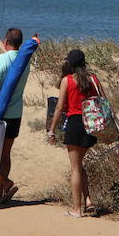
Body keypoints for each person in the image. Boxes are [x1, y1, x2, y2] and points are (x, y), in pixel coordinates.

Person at [47, 49, 101, 218]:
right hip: (90, 123)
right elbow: (102, 100)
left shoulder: (67, 80)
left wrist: (51, 129)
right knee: (80, 164)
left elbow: (60, 107)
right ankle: (89, 200)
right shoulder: (93, 79)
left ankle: (77, 209)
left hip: (75, 123)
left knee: (75, 169)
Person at [0, 28, 32, 203]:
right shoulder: (24, 61)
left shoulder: (2, 59)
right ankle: (0, 190)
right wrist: (0, 45)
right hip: (16, 114)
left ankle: (6, 183)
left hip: (1, 113)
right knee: (5, 153)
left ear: (7, 41)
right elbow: (12, 62)